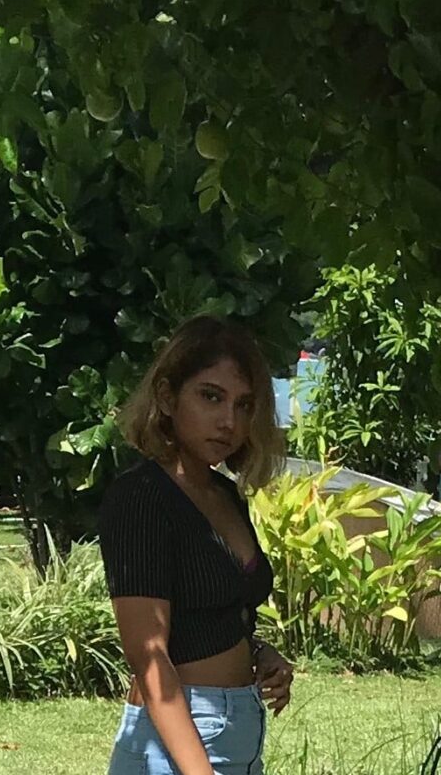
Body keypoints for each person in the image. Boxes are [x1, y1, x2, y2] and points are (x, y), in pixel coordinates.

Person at [99, 316, 295, 775]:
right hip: (177, 738)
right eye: (211, 396)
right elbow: (149, 657)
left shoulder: (224, 494)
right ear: (167, 397)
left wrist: (259, 654)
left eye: (244, 405)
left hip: (237, 733)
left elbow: (209, 610)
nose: (229, 421)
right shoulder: (141, 498)